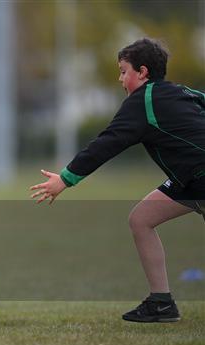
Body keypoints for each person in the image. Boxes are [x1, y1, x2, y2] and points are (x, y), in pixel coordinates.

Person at [30, 38, 205, 323]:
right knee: (142, 219)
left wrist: (65, 179)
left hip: (199, 178)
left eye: (124, 71)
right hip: (190, 180)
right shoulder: (180, 91)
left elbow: (106, 144)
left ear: (143, 72)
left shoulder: (142, 102)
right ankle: (161, 303)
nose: (120, 78)